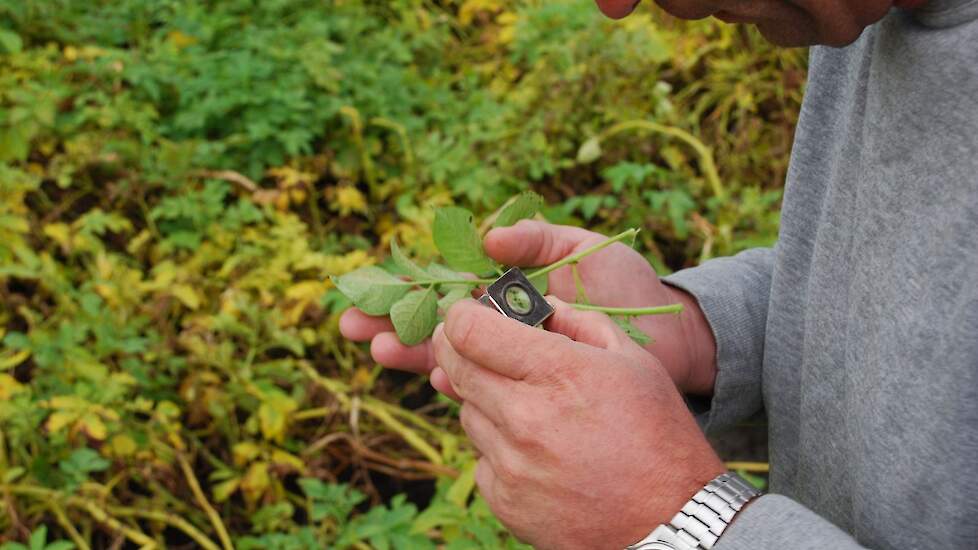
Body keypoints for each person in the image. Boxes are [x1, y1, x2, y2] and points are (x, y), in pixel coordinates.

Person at [340, 0, 978, 548]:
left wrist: (682, 521)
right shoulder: (861, 20)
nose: (617, 7)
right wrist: (705, 338)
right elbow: (919, 292)